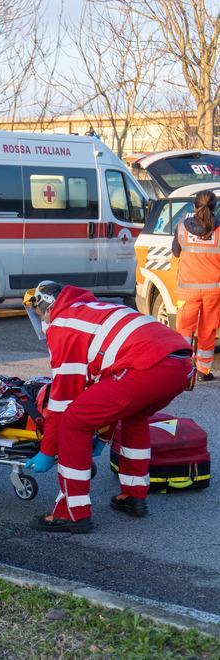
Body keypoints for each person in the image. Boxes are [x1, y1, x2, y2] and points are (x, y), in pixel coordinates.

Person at [22, 281, 193, 532]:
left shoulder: (63, 324)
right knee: (134, 415)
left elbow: (62, 400)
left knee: (74, 420)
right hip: (181, 364)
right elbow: (108, 391)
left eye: (39, 314)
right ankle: (134, 495)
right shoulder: (92, 308)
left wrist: (48, 450)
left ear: (48, 307)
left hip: (148, 366)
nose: (42, 321)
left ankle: (72, 512)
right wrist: (102, 438)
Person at [172, 189, 220, 382]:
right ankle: (203, 371)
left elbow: (175, 252)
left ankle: (179, 369)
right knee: (208, 330)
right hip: (214, 290)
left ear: (194, 207)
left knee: (184, 330)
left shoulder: (182, 227)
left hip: (187, 290)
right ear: (215, 208)